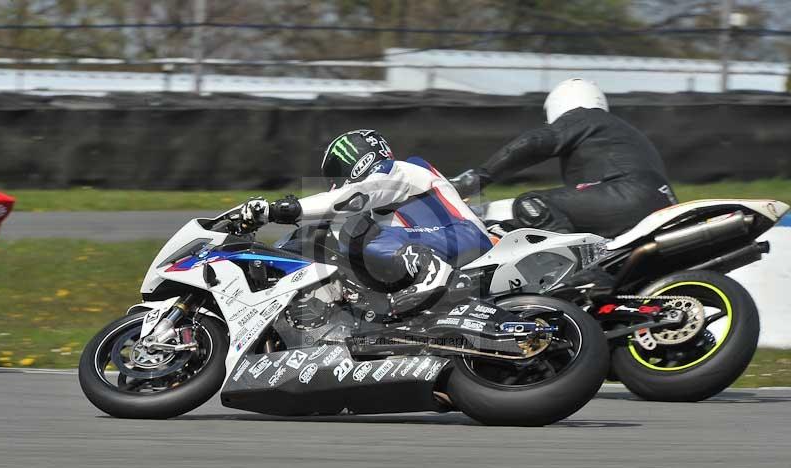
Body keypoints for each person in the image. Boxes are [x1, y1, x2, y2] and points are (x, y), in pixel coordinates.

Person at [240, 129, 493, 315]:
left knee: (356, 233)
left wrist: (283, 209)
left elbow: (349, 198)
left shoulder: (399, 169)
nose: (335, 183)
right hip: (442, 243)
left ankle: (431, 273)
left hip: (462, 236)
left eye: (337, 171)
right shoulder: (386, 194)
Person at [451, 78, 678, 238]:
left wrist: (478, 178)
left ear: (559, 104)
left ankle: (580, 273)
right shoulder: (623, 130)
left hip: (628, 195)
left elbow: (535, 142)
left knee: (533, 204)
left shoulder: (583, 116)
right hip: (662, 202)